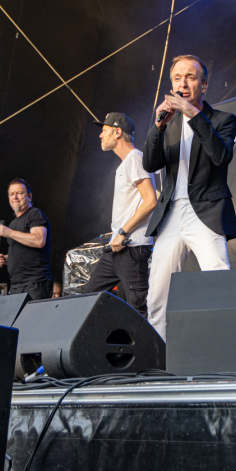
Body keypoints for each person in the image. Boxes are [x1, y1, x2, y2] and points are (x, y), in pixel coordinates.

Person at [143, 55, 236, 340]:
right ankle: (157, 356)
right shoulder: (169, 123)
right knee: (158, 292)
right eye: (177, 78)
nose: (182, 83)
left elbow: (221, 156)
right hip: (171, 214)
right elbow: (150, 164)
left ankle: (226, 346)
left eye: (191, 77)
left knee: (218, 278)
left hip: (205, 213)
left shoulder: (223, 120)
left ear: (204, 84)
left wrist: (193, 114)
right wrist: (158, 128)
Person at [81, 112, 157, 317]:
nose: (100, 135)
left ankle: (150, 348)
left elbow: (151, 201)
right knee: (89, 297)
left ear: (117, 132)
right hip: (117, 250)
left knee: (138, 306)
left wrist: (123, 231)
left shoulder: (135, 158)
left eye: (104, 131)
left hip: (132, 247)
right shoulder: (127, 163)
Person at [0, 179, 59, 300]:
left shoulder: (34, 214)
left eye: (19, 193)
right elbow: (22, 252)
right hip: (16, 285)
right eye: (12, 194)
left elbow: (39, 240)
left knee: (34, 318)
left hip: (35, 282)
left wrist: (10, 233)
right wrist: (5, 259)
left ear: (29, 196)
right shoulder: (13, 223)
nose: (15, 197)